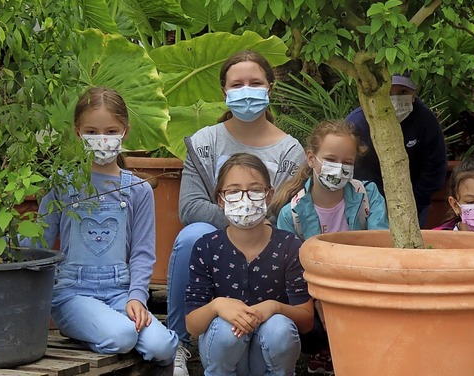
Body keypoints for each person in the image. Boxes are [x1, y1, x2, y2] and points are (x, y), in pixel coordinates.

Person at [166, 50, 306, 376]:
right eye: (237, 83)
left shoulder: (290, 151)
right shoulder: (205, 142)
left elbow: (287, 212)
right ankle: (179, 342)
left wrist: (255, 226)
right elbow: (190, 206)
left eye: (255, 83)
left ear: (270, 88)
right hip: (215, 250)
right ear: (224, 91)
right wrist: (238, 224)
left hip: (268, 251)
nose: (246, 90)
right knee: (191, 236)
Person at [27, 87, 178, 375]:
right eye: (92, 131)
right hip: (72, 294)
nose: (102, 139)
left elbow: (143, 253)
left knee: (162, 346)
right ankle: (87, 327)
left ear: (125, 131)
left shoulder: (138, 189)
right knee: (122, 336)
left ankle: (103, 328)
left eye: (111, 130)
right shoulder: (63, 183)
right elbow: (37, 242)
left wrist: (136, 297)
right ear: (77, 132)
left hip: (120, 293)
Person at [270, 119, 389, 374]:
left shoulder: (368, 196)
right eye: (331, 159)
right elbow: (292, 270)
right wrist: (320, 302)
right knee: (310, 322)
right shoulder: (292, 213)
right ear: (311, 159)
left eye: (347, 162)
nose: (340, 168)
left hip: (362, 287)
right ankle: (323, 351)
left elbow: (381, 246)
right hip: (314, 295)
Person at [185, 153, 313, 376]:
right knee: (225, 331)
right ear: (220, 199)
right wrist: (217, 306)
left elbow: (306, 320)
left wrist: (274, 307)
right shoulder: (207, 247)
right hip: (223, 351)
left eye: (254, 190)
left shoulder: (289, 245)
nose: (245, 199)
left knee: (279, 328)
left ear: (269, 194)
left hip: (268, 353)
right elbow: (192, 324)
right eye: (234, 191)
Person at [345, 72, 447, 228]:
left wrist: (412, 202)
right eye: (389, 92)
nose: (395, 98)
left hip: (413, 204)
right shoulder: (357, 123)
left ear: (414, 93)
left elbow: (434, 167)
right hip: (365, 202)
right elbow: (349, 168)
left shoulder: (426, 121)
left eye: (403, 92)